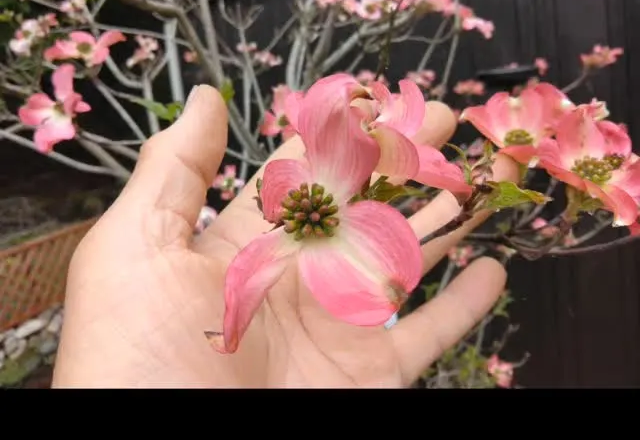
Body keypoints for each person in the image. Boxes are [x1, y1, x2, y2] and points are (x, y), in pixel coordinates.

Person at [53, 86, 509, 389]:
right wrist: (230, 339)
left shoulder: (321, 196)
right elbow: (245, 294)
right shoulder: (271, 243)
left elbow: (381, 276)